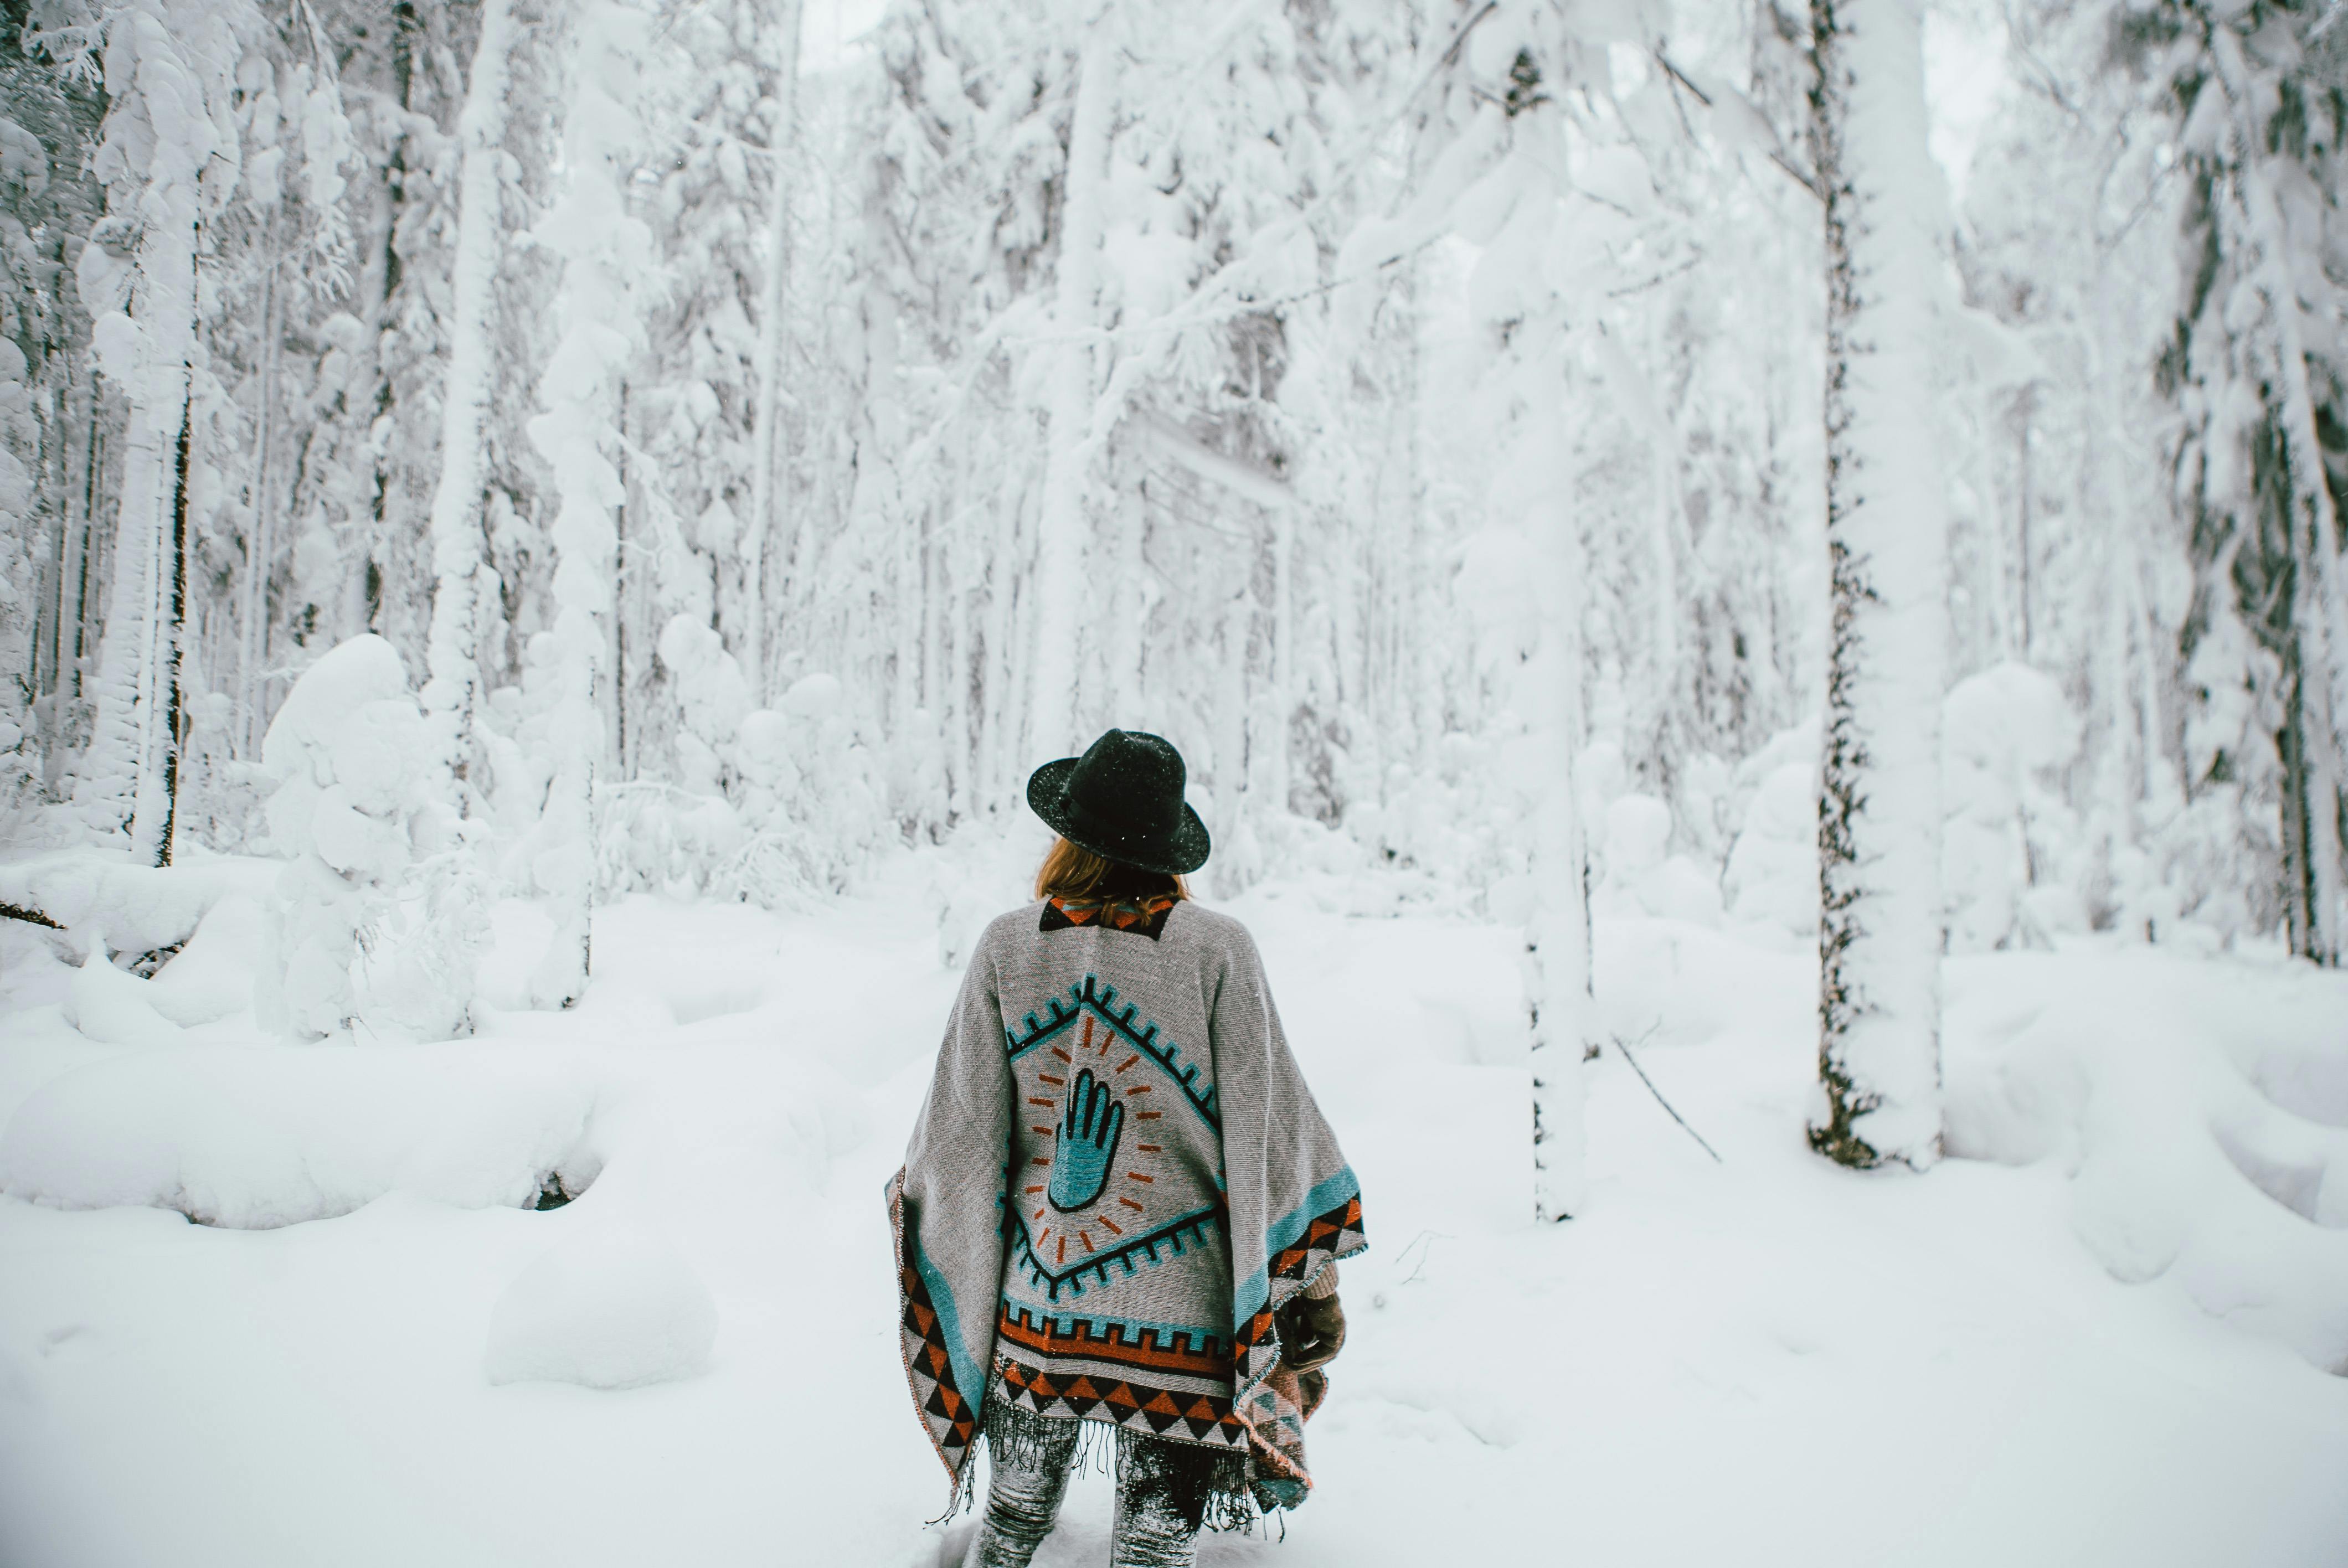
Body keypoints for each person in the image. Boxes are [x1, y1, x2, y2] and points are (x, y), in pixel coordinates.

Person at [888, 728, 1366, 1568]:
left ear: (1067, 834)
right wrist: (1308, 1287)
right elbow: (1271, 1128)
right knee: (1153, 1553)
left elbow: (962, 1134)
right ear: (1169, 844)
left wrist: (937, 1227)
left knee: (1010, 1532)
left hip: (1039, 1311)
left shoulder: (1008, 944)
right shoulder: (1218, 949)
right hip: (1181, 1328)